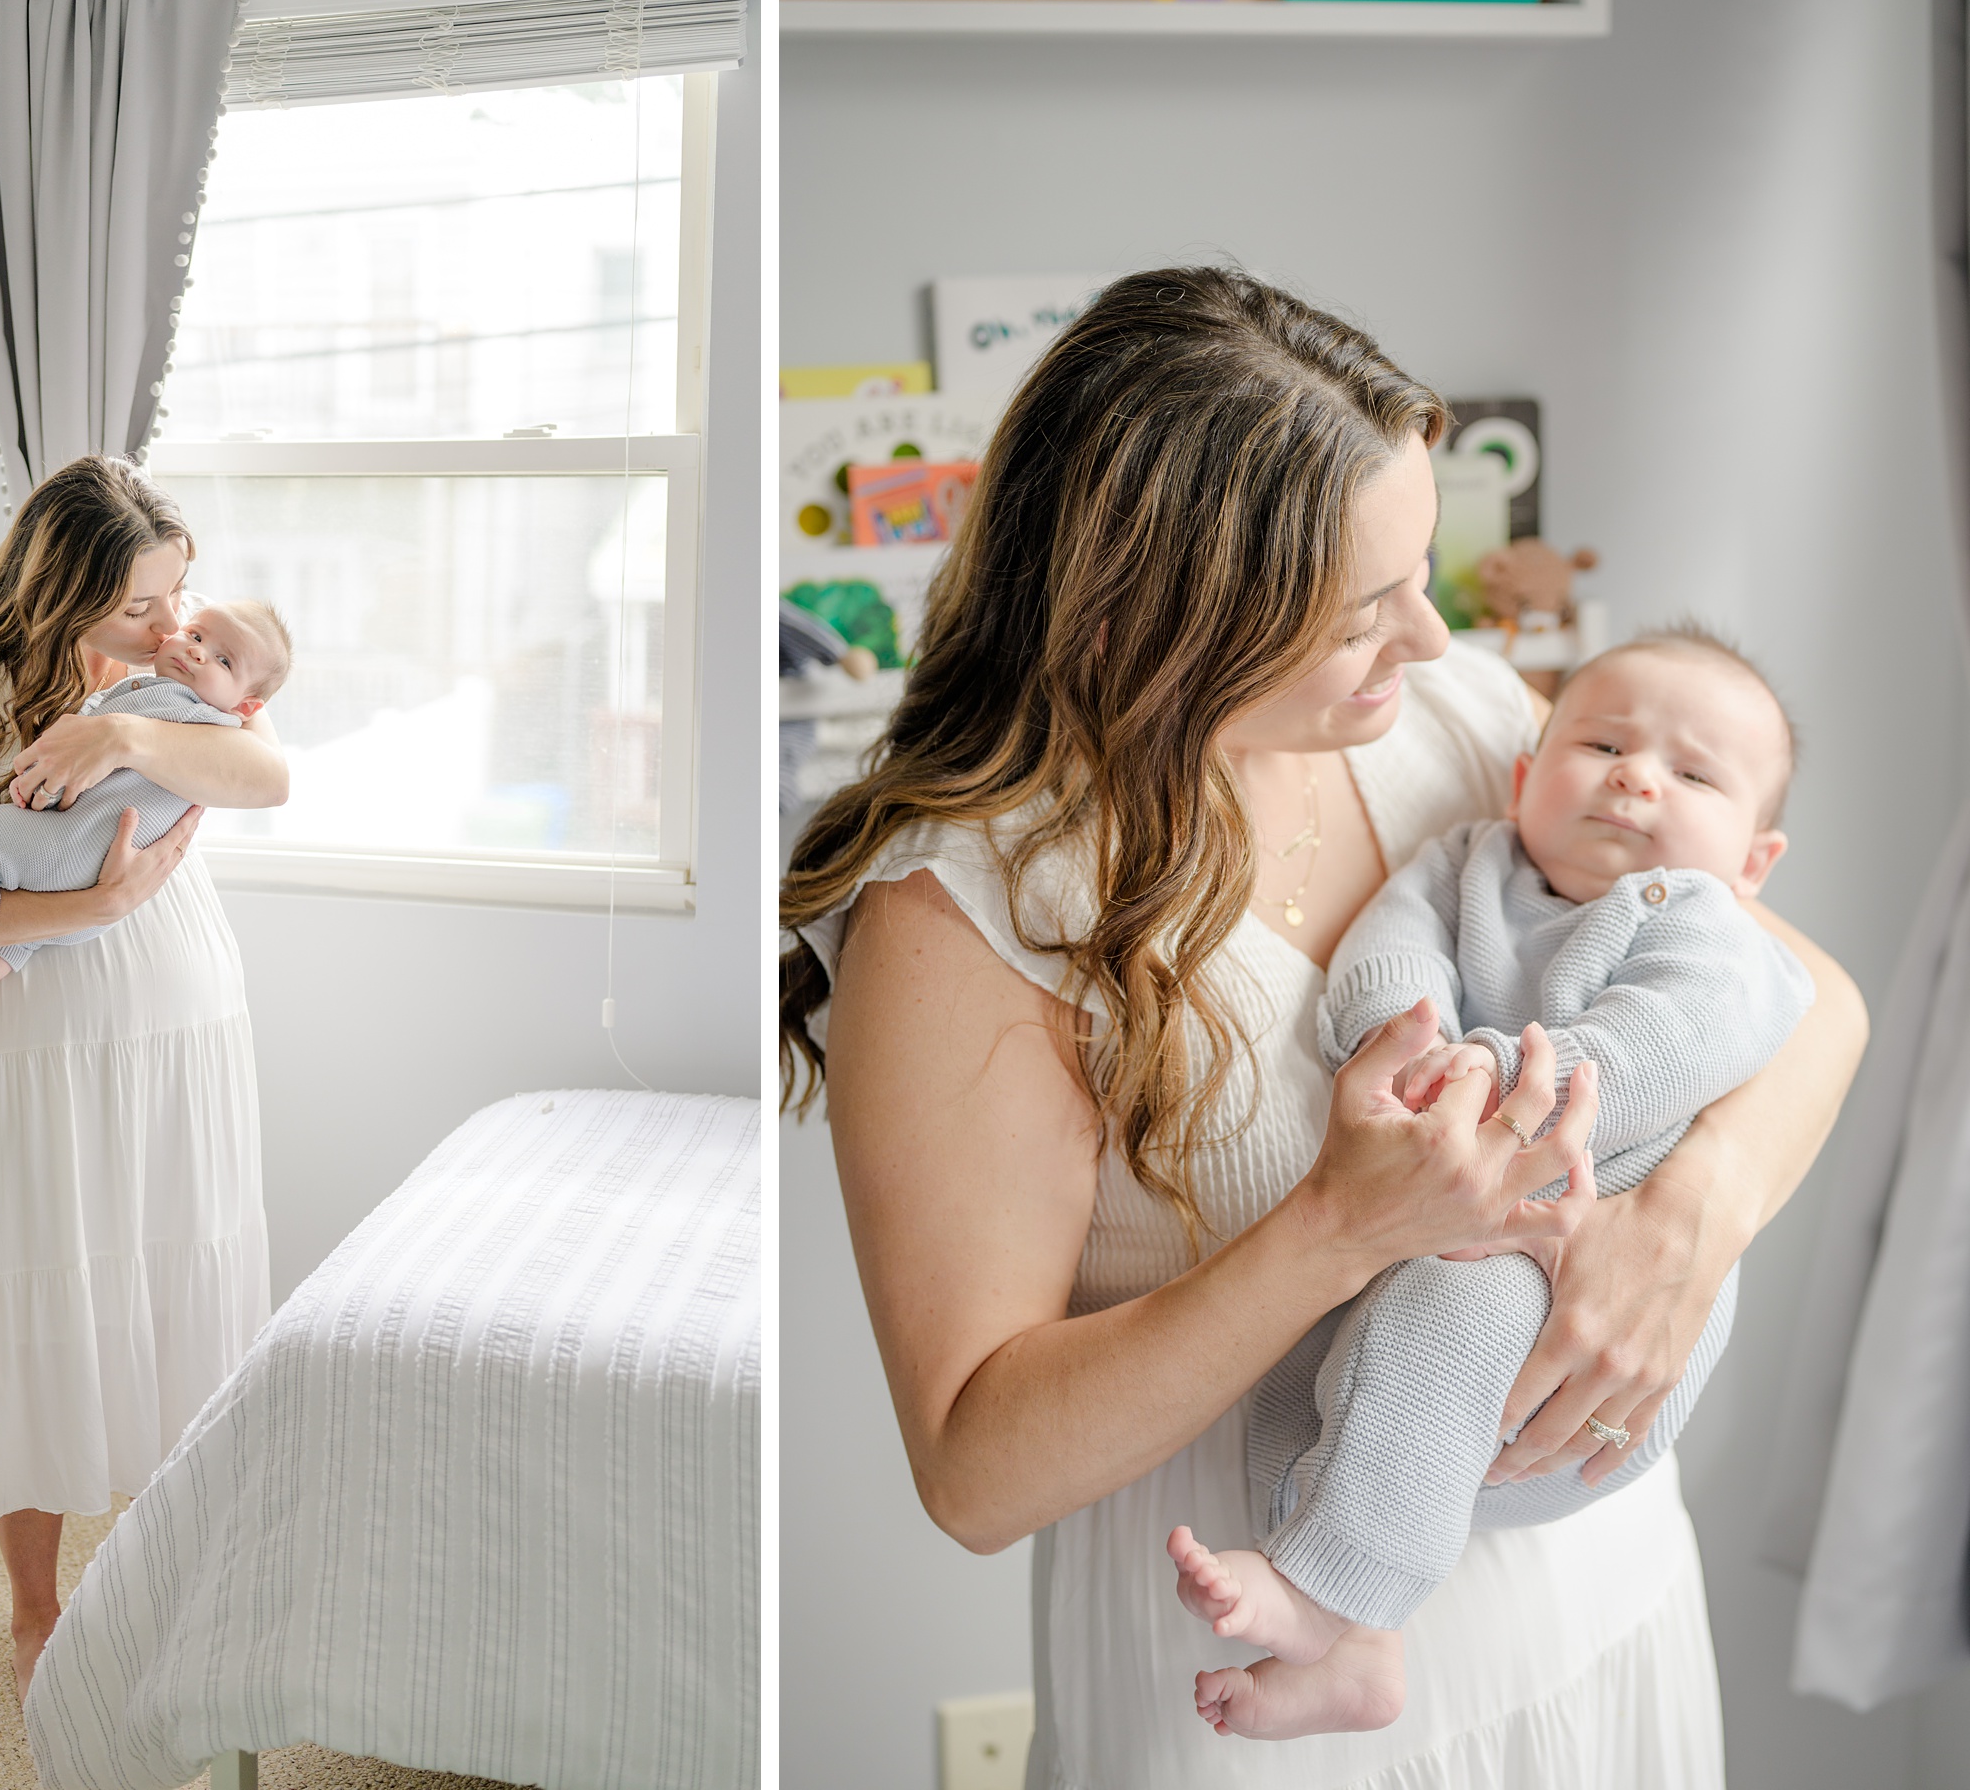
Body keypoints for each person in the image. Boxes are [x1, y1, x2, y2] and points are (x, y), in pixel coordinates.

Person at [779, 268, 1866, 1786]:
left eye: (1421, 572)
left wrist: (1693, 1213)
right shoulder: (970, 914)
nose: (1426, 634)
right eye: (1363, 608)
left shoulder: (1462, 718)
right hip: (1257, 1682)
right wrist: (1337, 1230)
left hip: (1596, 1604)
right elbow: (975, 1468)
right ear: (1156, 618)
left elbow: (1804, 994)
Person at [1170, 628, 1816, 1740]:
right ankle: (1359, 1630)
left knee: (1447, 1304)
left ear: (1755, 862)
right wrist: (1408, 1042)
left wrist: (1513, 1078)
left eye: (1693, 772)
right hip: (1446, 1214)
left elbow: (1670, 1040)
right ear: (1526, 777)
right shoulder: (1466, 860)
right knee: (1307, 1362)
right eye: (1601, 741)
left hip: (1585, 1269)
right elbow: (1390, 950)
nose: (1634, 773)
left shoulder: (1712, 928)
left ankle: (1331, 1590)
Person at [0, 455, 287, 1702]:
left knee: (174, 1281)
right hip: (33, 1041)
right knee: (35, 1297)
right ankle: (34, 1611)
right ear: (61, 591)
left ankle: (171, 1579)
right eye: (138, 607)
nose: (169, 626)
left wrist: (120, 724)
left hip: (176, 1017)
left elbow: (269, 776)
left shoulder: (174, 679)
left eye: (175, 597)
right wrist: (99, 900)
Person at [0, 602, 292, 1024]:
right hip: (87, 918)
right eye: (196, 636)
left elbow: (273, 781)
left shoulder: (189, 686)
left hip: (120, 901)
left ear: (246, 708)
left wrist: (110, 743)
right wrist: (103, 904)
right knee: (22, 940)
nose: (178, 626)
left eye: (222, 660)